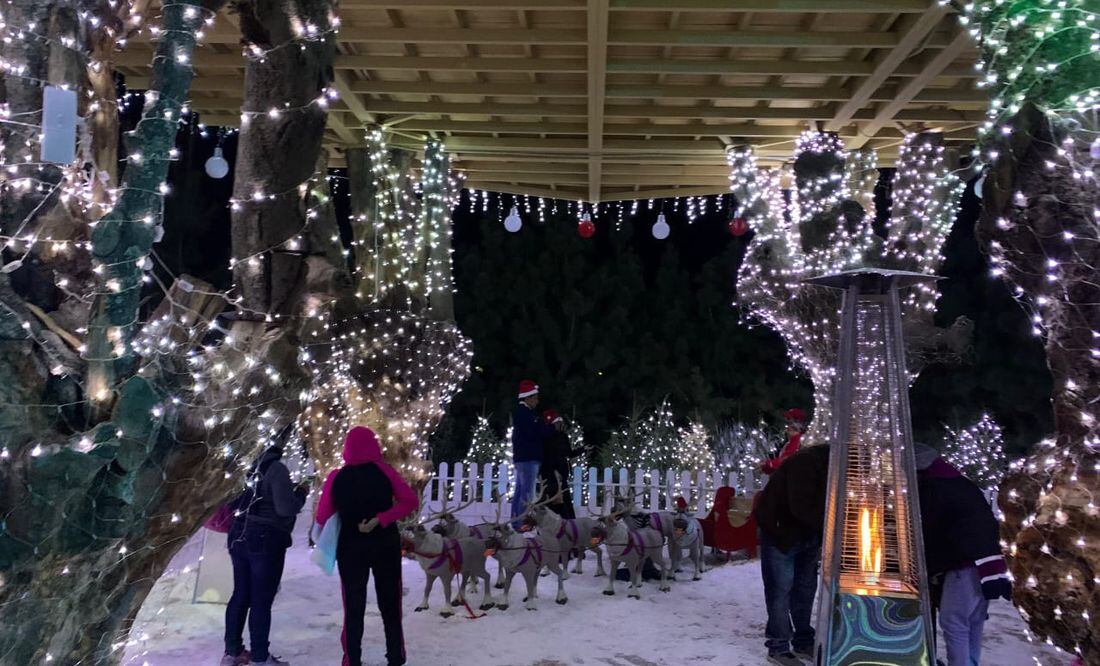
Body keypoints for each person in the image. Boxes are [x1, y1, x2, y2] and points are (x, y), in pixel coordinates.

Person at [315, 426, 419, 666]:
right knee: (390, 603)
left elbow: (322, 516)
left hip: (350, 547)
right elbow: (409, 501)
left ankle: (352, 658)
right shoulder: (385, 472)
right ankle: (395, 656)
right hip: (385, 544)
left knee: (353, 605)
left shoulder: (336, 477)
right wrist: (381, 519)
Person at [914, 443, 1011, 666]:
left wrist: (927, 569)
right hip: (988, 561)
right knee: (974, 621)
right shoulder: (959, 482)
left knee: (954, 622)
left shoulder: (935, 488)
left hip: (965, 564)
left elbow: (930, 532)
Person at [222, 446, 308, 666]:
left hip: (238, 534)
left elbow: (230, 501)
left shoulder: (241, 466)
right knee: (261, 599)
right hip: (264, 539)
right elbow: (285, 508)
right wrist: (301, 493)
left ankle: (232, 652)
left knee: (240, 594)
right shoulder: (275, 468)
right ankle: (260, 656)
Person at [752, 444, 831, 666]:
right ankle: (778, 646)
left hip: (806, 535)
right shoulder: (805, 463)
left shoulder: (826, 468)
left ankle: (803, 640)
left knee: (805, 590)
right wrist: (833, 527)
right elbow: (802, 506)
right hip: (781, 534)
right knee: (780, 590)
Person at [510, 379, 552, 520]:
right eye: (535, 398)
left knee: (520, 491)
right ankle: (522, 521)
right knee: (526, 493)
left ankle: (516, 520)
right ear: (527, 398)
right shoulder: (525, 414)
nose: (537, 401)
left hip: (523, 457)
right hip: (528, 457)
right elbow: (533, 433)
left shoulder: (523, 413)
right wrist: (546, 428)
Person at [538, 409, 585, 519]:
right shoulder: (546, 438)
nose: (560, 425)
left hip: (561, 476)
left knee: (565, 501)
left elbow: (568, 453)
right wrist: (554, 471)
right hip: (551, 475)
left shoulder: (563, 436)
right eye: (558, 423)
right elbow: (547, 456)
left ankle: (569, 523)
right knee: (553, 501)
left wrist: (582, 450)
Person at [762, 408, 807, 475]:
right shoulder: (791, 440)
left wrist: (769, 463)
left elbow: (787, 460)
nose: (787, 426)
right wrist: (766, 466)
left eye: (789, 421)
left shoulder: (798, 440)